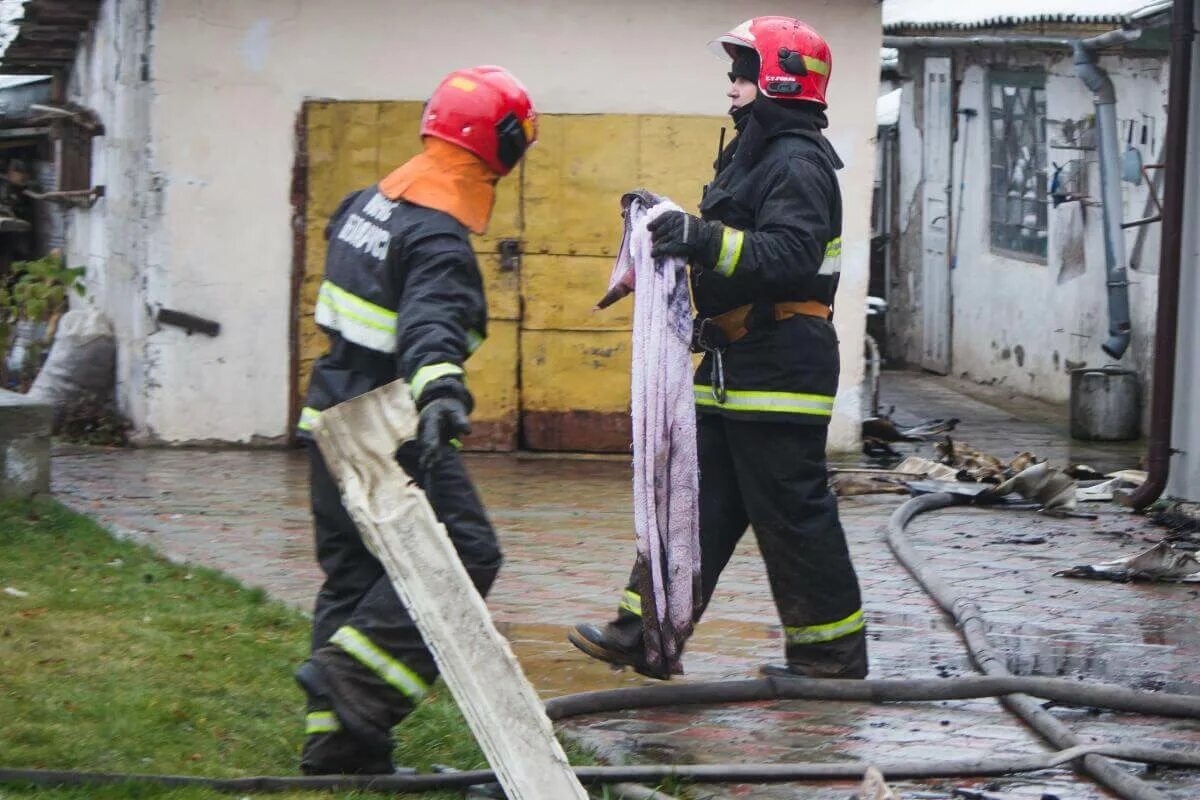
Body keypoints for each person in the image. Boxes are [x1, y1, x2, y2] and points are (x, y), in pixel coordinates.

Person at [568, 17, 868, 681]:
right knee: (691, 503)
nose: (731, 88)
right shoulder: (753, 156)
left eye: (742, 72)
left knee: (790, 512)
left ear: (778, 78)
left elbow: (790, 255)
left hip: (782, 361)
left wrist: (701, 239)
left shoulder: (797, 162)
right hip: (732, 360)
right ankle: (642, 631)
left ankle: (831, 660)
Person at [293, 66, 537, 775]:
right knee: (468, 551)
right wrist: (443, 396)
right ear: (504, 145)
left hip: (327, 413)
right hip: (386, 422)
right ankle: (355, 683)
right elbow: (431, 326)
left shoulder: (366, 202)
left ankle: (338, 751)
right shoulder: (439, 239)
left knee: (351, 577)